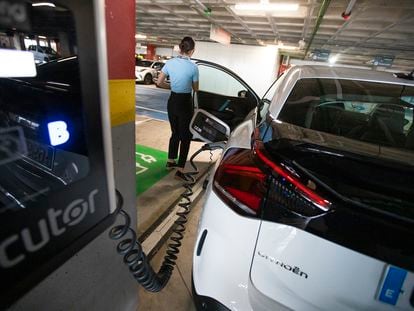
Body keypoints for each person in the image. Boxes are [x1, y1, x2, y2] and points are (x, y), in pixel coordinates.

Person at [156, 37, 199, 181]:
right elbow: (196, 88)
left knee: (175, 132)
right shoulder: (193, 67)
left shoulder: (170, 62)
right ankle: (180, 170)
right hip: (185, 103)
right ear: (192, 51)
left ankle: (170, 161)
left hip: (172, 101)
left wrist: (172, 87)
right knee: (185, 136)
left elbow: (159, 82)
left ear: (180, 49)